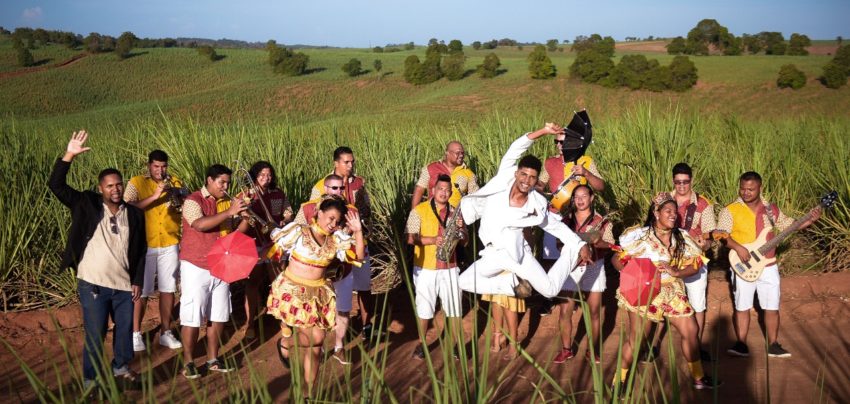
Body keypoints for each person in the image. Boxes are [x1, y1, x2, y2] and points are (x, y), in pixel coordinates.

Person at [48, 131, 146, 390]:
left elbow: (141, 250)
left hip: (124, 285)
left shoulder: (134, 215)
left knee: (124, 331)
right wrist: (69, 154)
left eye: (118, 184)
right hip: (93, 283)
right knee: (96, 333)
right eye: (109, 186)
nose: (115, 189)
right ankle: (91, 381)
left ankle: (121, 368)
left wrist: (137, 280)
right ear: (100, 188)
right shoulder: (86, 204)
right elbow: (56, 186)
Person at [457, 124, 592, 299]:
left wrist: (579, 245)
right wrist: (543, 132)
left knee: (550, 290)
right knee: (464, 281)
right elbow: (516, 148)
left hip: (517, 253)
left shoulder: (537, 204)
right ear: (516, 173)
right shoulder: (503, 180)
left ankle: (570, 253)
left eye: (532, 177)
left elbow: (554, 226)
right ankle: (510, 284)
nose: (526, 181)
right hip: (493, 253)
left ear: (537, 180)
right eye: (523, 174)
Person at [611, 192, 719, 390]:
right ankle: (619, 380)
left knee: (691, 330)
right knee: (637, 340)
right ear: (656, 212)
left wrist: (677, 271)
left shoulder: (682, 237)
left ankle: (698, 377)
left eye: (675, 212)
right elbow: (617, 260)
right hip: (646, 291)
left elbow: (695, 265)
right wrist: (634, 272)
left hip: (672, 290)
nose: (673, 215)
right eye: (668, 211)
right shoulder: (639, 236)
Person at [267, 196, 365, 397]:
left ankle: (308, 394)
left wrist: (358, 231)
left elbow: (359, 257)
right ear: (319, 213)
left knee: (316, 347)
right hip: (294, 292)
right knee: (316, 340)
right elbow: (276, 248)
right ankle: (287, 344)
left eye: (337, 221)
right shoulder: (298, 232)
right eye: (330, 218)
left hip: (318, 295)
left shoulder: (336, 240)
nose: (333, 224)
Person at [717, 171, 820, 358]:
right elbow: (721, 234)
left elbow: (791, 225)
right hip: (743, 263)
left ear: (760, 188)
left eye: (751, 189)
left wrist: (810, 220)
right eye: (742, 188)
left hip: (769, 265)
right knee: (742, 305)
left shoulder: (771, 209)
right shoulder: (730, 210)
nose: (746, 192)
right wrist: (738, 248)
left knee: (772, 306)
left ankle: (773, 344)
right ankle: (741, 344)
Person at [178, 164, 251, 379]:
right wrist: (229, 212)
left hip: (221, 264)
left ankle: (213, 359)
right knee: (192, 315)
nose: (226, 186)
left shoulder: (226, 202)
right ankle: (188, 362)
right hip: (195, 265)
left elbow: (237, 233)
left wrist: (246, 217)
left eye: (228, 182)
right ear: (209, 180)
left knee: (219, 314)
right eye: (222, 182)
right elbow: (199, 225)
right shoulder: (193, 201)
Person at [309, 147, 378, 341]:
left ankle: (367, 326)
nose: (350, 165)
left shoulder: (359, 183)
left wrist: (358, 227)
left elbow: (366, 209)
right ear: (335, 163)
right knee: (334, 287)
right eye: (346, 162)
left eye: (352, 161)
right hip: (334, 247)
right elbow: (315, 213)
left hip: (357, 242)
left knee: (364, 286)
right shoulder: (321, 185)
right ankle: (332, 332)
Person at [295, 174, 360, 365]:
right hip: (316, 273)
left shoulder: (351, 210)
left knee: (343, 309)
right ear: (325, 188)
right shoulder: (307, 208)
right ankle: (319, 347)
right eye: (334, 188)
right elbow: (298, 231)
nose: (338, 192)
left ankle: (339, 347)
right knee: (317, 311)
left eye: (341, 188)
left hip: (342, 269)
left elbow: (356, 240)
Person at [123, 150, 184, 352]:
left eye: (164, 166)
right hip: (145, 243)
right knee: (142, 290)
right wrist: (156, 196)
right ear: (149, 165)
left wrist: (179, 201)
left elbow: (185, 207)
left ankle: (165, 332)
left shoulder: (176, 181)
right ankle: (135, 333)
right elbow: (127, 207)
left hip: (169, 241)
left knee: (168, 289)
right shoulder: (137, 182)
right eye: (156, 166)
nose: (160, 170)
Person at [407, 174, 467, 360]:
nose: (443, 193)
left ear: (450, 193)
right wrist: (432, 240)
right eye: (440, 189)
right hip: (426, 268)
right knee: (425, 308)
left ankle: (457, 345)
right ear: (432, 190)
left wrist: (462, 230)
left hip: (450, 266)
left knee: (455, 308)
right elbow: (410, 238)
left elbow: (465, 242)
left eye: (447, 190)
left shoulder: (456, 212)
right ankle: (422, 344)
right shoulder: (419, 211)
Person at [553, 184, 614, 364]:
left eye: (583, 196)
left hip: (594, 266)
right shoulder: (566, 221)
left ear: (592, 198)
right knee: (565, 310)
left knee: (594, 311)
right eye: (576, 197)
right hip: (570, 266)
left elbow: (610, 245)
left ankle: (592, 350)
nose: (579, 200)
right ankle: (566, 349)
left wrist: (598, 241)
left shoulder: (601, 221)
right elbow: (558, 244)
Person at [239, 161, 292, 339]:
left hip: (273, 242)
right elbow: (238, 218)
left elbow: (287, 211)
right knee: (252, 282)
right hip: (253, 243)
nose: (266, 178)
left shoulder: (277, 193)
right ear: (254, 176)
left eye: (269, 175)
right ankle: (249, 323)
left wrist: (285, 219)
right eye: (261, 175)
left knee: (278, 280)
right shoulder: (245, 195)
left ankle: (283, 320)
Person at [410, 141, 479, 209]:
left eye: (462, 153)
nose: (461, 155)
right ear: (447, 153)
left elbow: (475, 198)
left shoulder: (468, 173)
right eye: (457, 153)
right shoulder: (430, 168)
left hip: (456, 217)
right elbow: (419, 189)